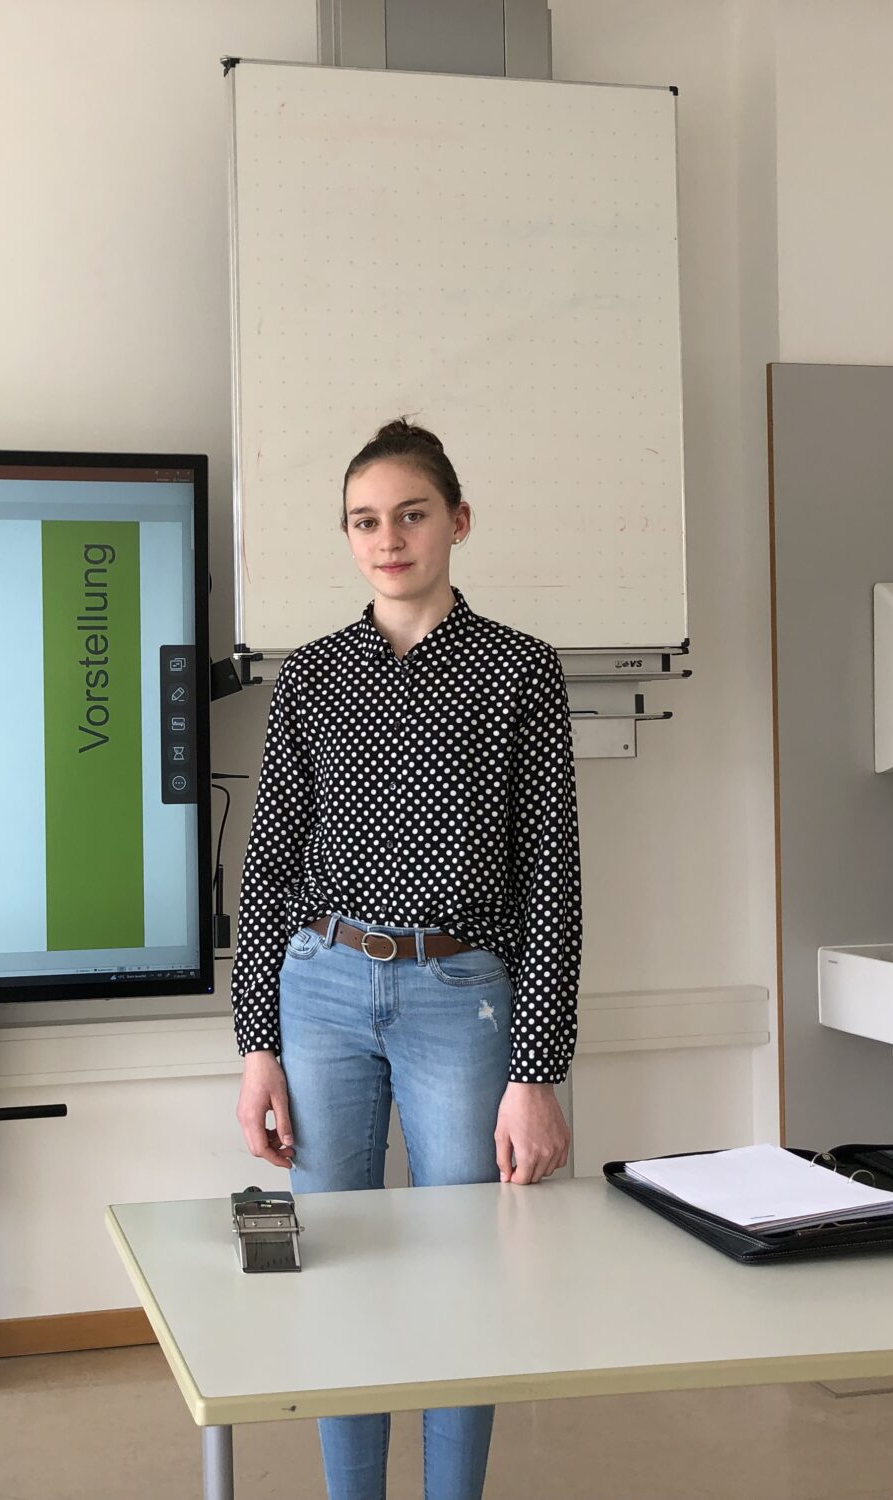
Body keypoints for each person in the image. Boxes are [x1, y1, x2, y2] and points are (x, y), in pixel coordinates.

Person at [231, 418, 583, 1500]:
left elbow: (552, 879)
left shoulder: (520, 671)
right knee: (334, 1267)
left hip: (459, 997)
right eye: (364, 521)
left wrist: (537, 1072)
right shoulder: (309, 677)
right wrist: (256, 1047)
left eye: (411, 515)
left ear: (457, 522)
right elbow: (268, 867)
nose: (387, 539)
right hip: (321, 988)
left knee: (462, 1274)